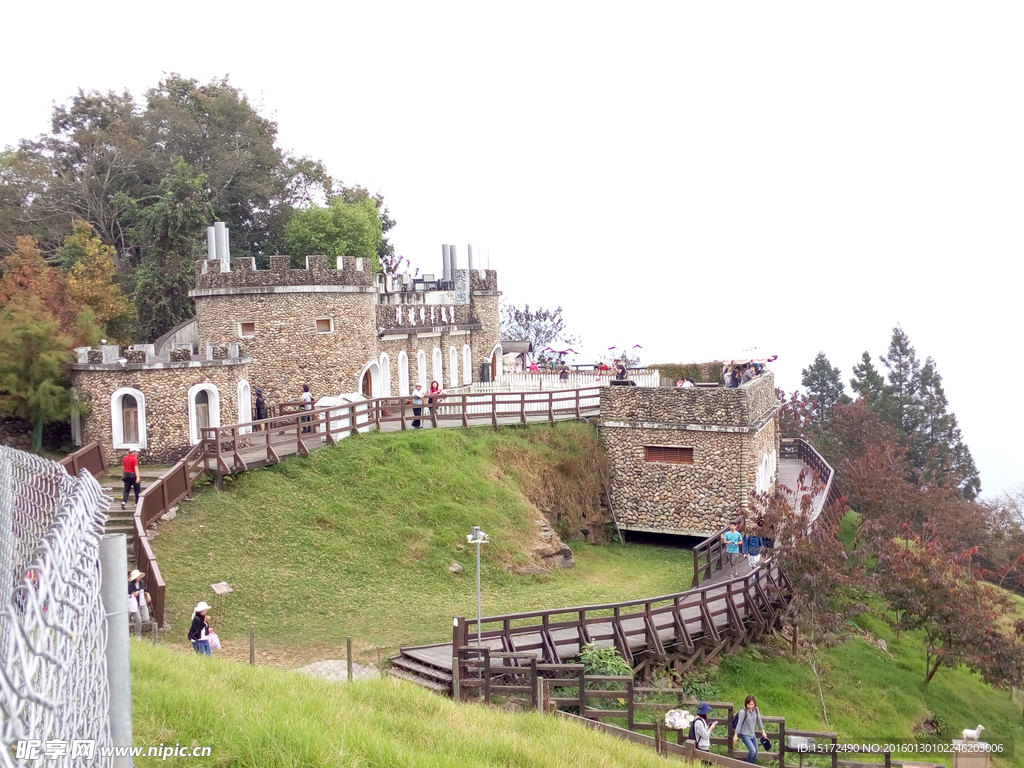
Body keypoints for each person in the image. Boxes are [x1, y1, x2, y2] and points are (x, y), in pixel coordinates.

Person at [733, 695, 768, 763]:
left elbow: (759, 721)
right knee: (752, 750)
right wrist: (735, 735)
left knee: (756, 751)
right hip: (744, 733)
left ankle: (751, 765)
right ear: (746, 704)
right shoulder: (743, 712)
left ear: (754, 704)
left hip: (752, 733)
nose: (750, 706)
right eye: (748, 704)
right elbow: (739, 724)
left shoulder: (756, 710)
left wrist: (763, 731)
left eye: (752, 704)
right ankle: (748, 765)